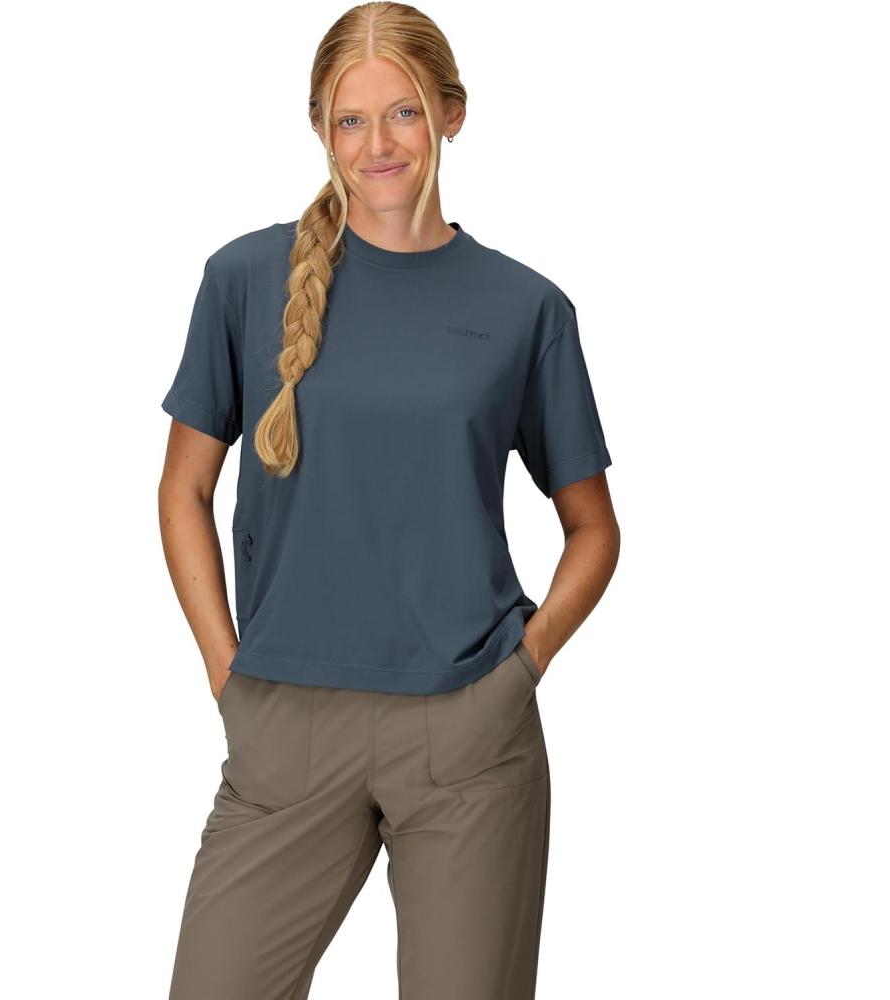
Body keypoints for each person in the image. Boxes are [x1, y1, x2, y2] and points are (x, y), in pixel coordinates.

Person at [157, 3, 620, 997]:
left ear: (452, 114)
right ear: (321, 129)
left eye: (403, 112)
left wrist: (519, 668)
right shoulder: (245, 279)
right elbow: (183, 488)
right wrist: (227, 673)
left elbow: (592, 529)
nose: (378, 145)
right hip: (285, 722)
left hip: (468, 730)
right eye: (351, 120)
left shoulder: (526, 309)